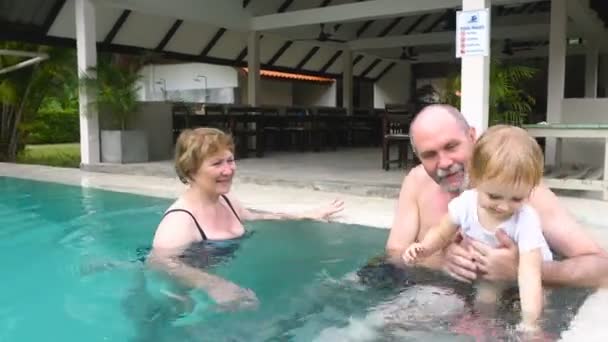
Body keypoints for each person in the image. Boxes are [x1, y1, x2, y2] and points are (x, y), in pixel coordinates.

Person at [386, 104, 608, 289]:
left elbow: (600, 268)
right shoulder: (416, 182)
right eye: (430, 155)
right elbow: (395, 251)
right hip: (433, 294)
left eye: (451, 146)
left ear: (472, 136)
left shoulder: (519, 194)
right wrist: (441, 260)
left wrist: (522, 269)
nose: (444, 163)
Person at [147, 127, 344, 309]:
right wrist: (213, 285)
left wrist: (304, 215)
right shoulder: (179, 221)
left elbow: (254, 216)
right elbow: (159, 262)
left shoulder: (227, 200)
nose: (228, 170)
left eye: (230, 160)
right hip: (182, 299)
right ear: (191, 171)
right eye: (217, 163)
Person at [403, 125, 551, 333]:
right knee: (485, 296)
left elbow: (530, 274)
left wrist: (531, 325)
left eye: (517, 198)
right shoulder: (466, 204)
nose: (504, 206)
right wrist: (424, 248)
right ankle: (483, 327)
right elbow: (442, 232)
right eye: (494, 196)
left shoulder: (526, 220)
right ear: (476, 179)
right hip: (491, 271)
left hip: (532, 269)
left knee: (541, 298)